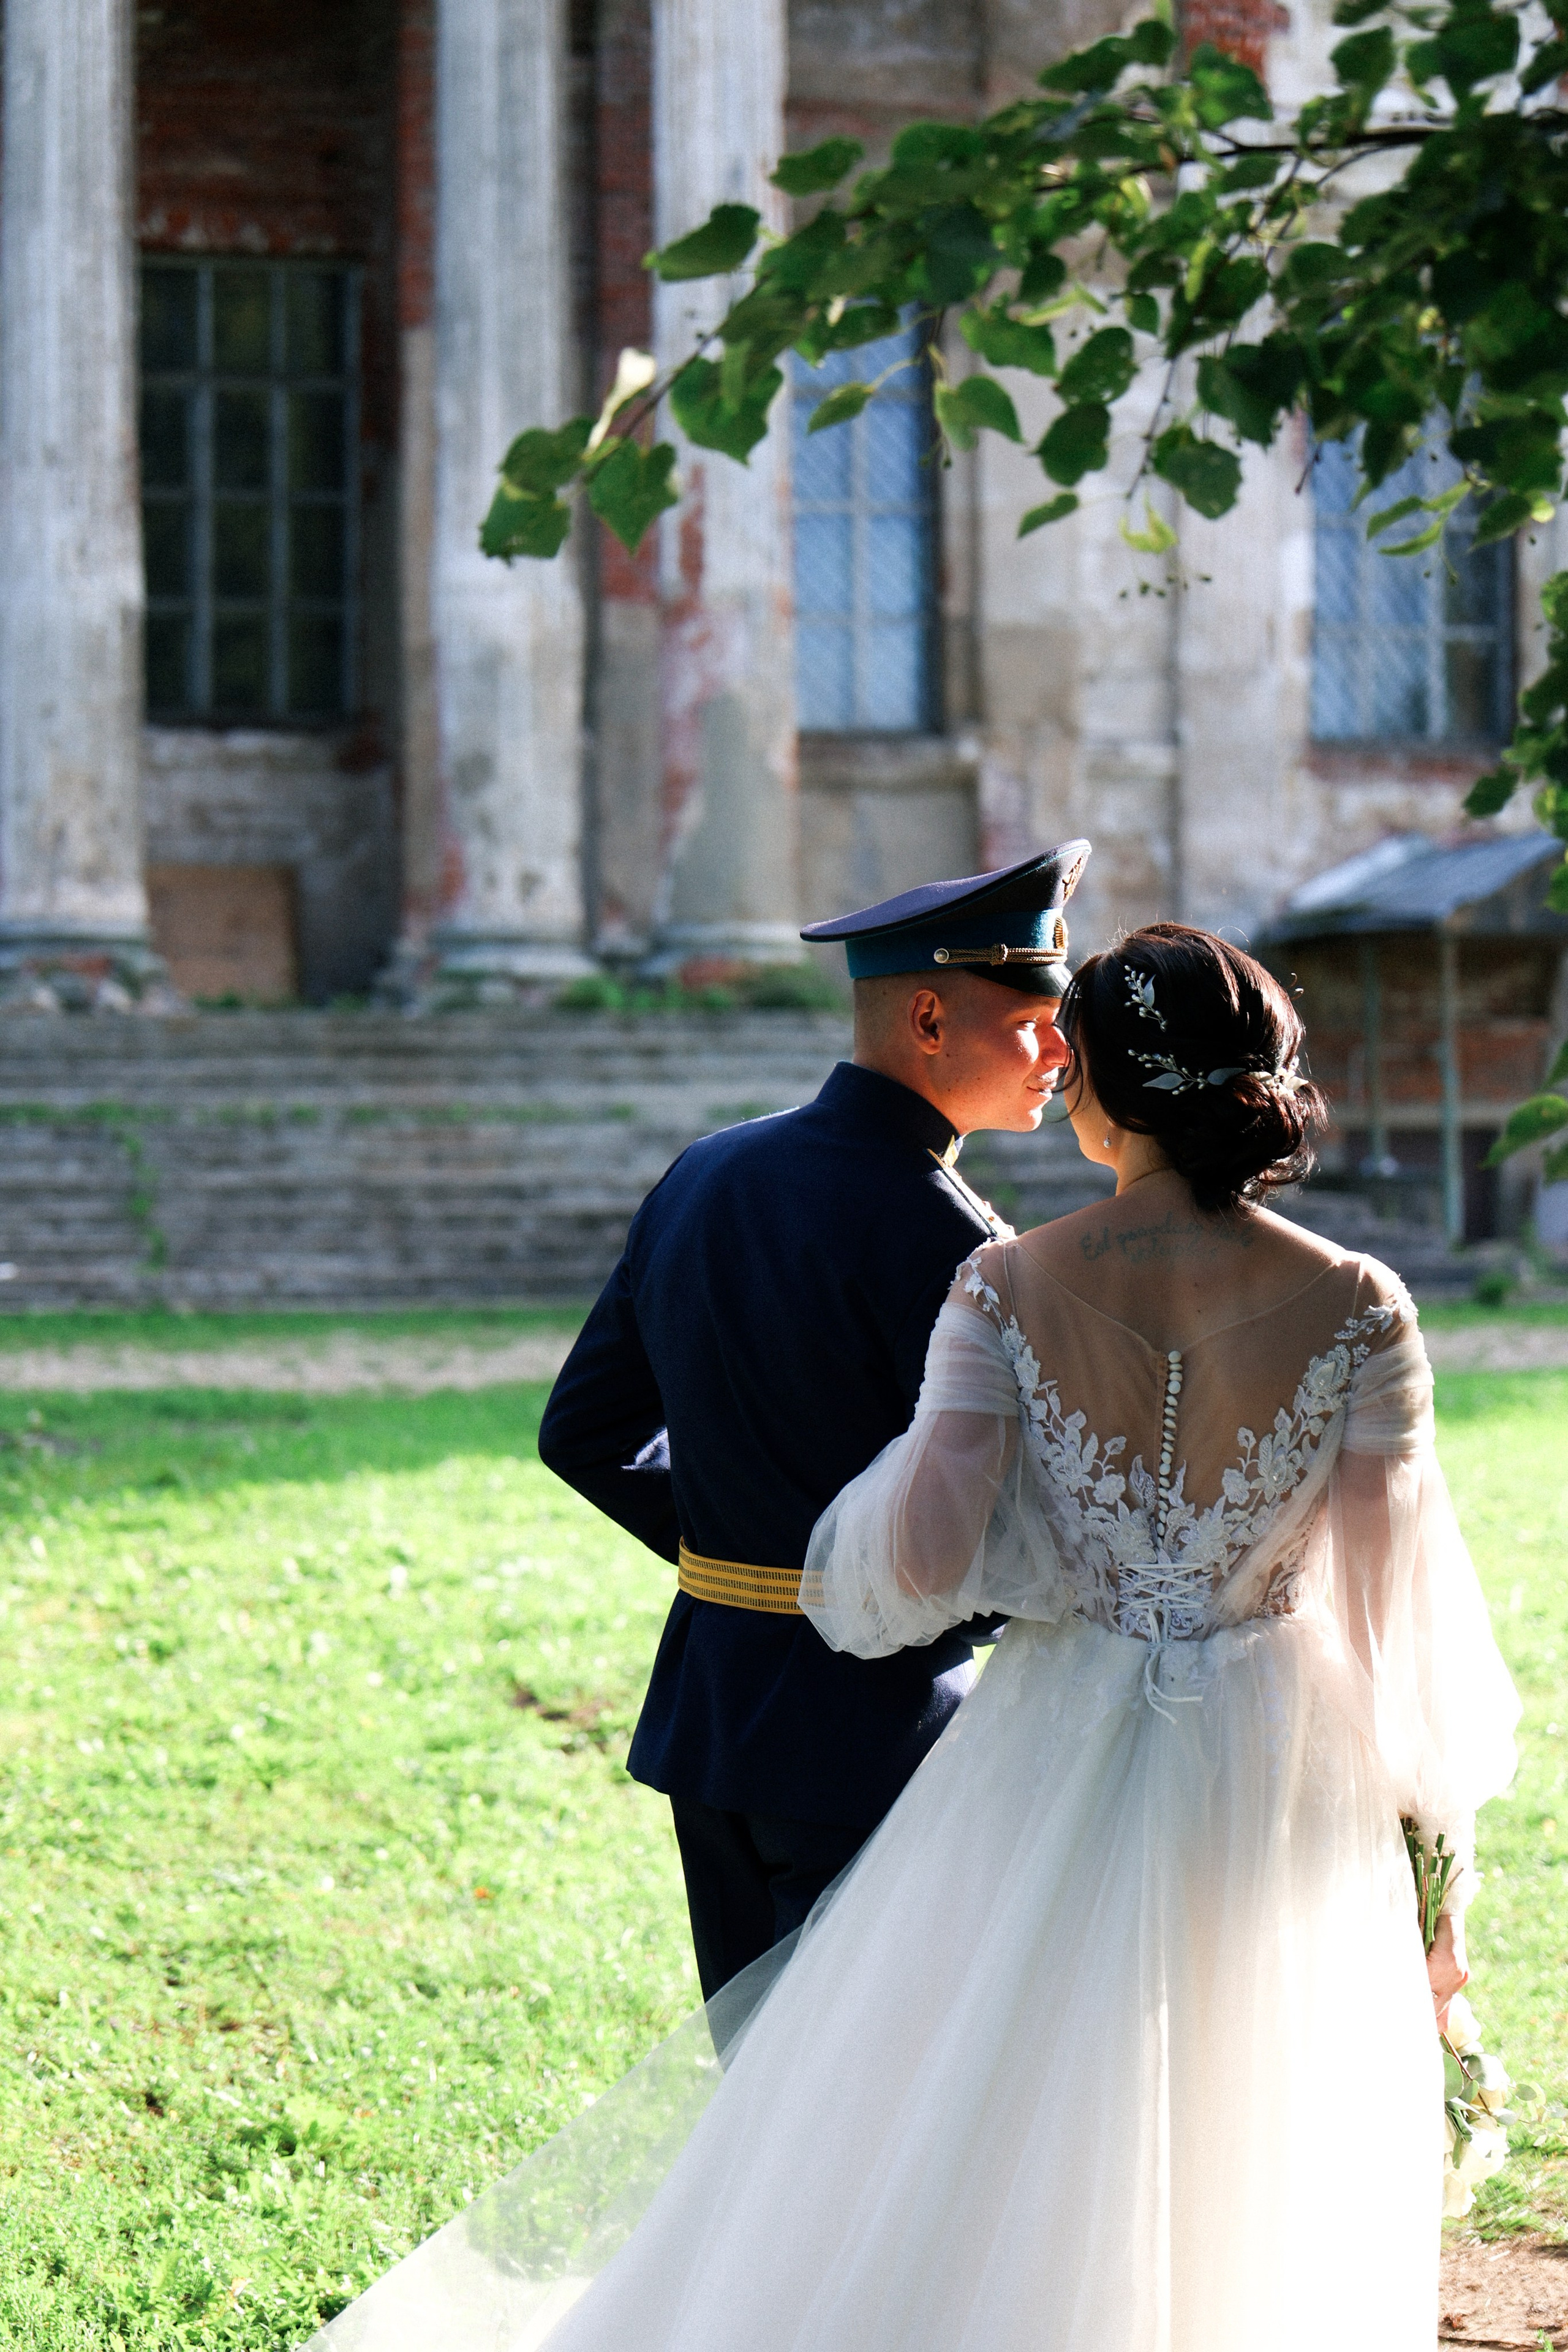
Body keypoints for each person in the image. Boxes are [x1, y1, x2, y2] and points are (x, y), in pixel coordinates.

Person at [306, 922, 1518, 2352]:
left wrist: (1037, 1550)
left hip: (1052, 1734)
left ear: (1097, 1091)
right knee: (1239, 2084)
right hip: (1272, 1745)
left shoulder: (1005, 1285)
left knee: (980, 2099)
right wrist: (1420, 1834)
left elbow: (919, 1558)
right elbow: (1397, 1614)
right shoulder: (1361, 1303)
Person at [537, 843, 1090, 1998]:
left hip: (716, 1705)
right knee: (869, 2108)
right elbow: (1004, 1524)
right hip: (877, 1728)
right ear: (928, 1017)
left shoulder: (705, 1172)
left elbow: (586, 1433)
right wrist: (855, 1579)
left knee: (764, 2101)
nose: (1060, 1053)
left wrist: (746, 1540)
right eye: (1035, 1019)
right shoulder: (956, 1244)